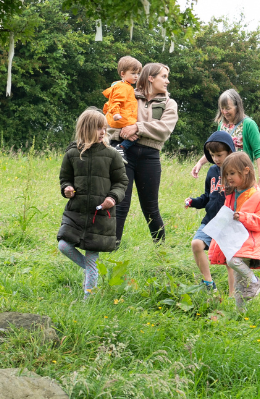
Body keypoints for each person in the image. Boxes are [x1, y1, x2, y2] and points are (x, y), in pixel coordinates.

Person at [57, 109, 128, 299]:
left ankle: (89, 298)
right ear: (85, 129)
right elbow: (65, 179)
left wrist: (112, 198)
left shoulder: (112, 155)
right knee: (63, 246)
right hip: (76, 212)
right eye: (98, 128)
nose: (103, 132)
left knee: (91, 256)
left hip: (101, 215)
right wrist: (67, 188)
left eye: (104, 128)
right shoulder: (72, 154)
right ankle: (93, 270)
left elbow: (122, 182)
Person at [110, 62, 178, 243]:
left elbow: (164, 129)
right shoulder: (128, 95)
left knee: (150, 207)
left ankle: (162, 251)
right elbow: (110, 123)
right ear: (150, 78)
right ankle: (111, 247)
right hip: (124, 154)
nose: (167, 81)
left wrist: (137, 127)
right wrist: (122, 132)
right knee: (121, 204)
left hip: (150, 157)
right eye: (163, 77)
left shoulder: (169, 103)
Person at [208, 153, 260, 310]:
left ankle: (254, 281)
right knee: (239, 283)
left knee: (233, 261)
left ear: (246, 171)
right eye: (226, 174)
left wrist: (243, 217)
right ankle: (241, 314)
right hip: (235, 240)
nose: (228, 178)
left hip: (250, 241)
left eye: (232, 173)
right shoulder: (232, 193)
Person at [185, 131, 235, 292]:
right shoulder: (212, 171)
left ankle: (233, 295)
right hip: (211, 220)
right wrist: (193, 202)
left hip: (230, 222)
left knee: (230, 261)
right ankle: (208, 284)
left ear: (230, 152)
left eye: (220, 155)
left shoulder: (237, 171)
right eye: (212, 155)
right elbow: (208, 196)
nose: (216, 159)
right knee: (196, 244)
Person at [191, 89, 260, 191]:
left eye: (228, 108)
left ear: (237, 107)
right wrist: (200, 163)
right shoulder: (222, 125)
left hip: (243, 177)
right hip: (226, 178)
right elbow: (215, 150)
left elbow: (258, 153)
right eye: (222, 109)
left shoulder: (249, 125)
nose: (224, 112)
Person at [102, 56, 142, 156]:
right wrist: (115, 114)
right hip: (122, 118)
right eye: (133, 73)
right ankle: (121, 147)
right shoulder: (123, 87)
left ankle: (117, 147)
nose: (136, 76)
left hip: (120, 118)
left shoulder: (125, 86)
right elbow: (116, 101)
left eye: (138, 73)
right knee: (138, 133)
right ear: (123, 73)